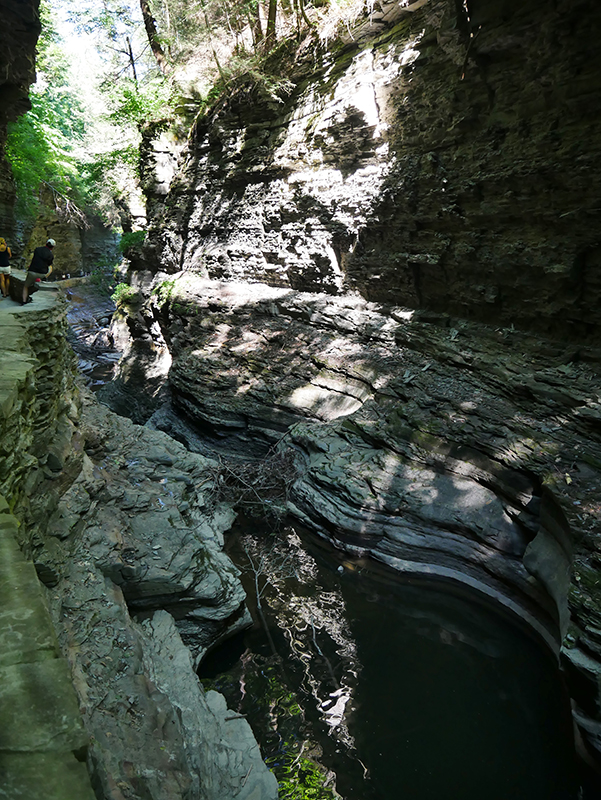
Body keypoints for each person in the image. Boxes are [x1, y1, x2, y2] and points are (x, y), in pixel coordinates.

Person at [23, 238, 55, 305]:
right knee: (50, 268)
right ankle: (43, 279)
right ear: (52, 247)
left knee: (26, 286)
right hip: (42, 273)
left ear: (46, 243)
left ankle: (24, 301)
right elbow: (49, 264)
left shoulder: (37, 249)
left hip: (32, 272)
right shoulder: (51, 255)